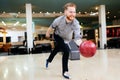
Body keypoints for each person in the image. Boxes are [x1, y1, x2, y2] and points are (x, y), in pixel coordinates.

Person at [45, 2, 82, 79]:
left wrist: (81, 44)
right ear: (65, 12)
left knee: (56, 49)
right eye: (70, 12)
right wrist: (47, 34)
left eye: (74, 12)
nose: (73, 14)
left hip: (66, 39)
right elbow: (51, 27)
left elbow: (77, 36)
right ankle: (65, 71)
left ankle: (48, 60)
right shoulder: (58, 20)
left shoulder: (76, 23)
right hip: (57, 36)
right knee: (66, 50)